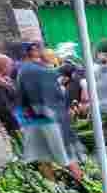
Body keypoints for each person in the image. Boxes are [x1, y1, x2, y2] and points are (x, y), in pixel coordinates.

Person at [16, 42, 83, 179]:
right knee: (68, 155)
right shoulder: (39, 70)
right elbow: (56, 95)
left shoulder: (22, 70)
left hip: (33, 118)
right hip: (50, 117)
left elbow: (21, 98)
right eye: (41, 48)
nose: (45, 51)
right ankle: (82, 183)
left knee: (42, 156)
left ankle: (53, 187)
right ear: (34, 51)